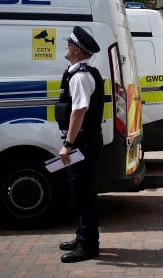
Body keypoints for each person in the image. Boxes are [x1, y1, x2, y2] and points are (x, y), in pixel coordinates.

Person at [56, 26, 104, 263]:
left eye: (68, 43)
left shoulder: (81, 76)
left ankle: (88, 245)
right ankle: (82, 236)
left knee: (83, 194)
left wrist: (68, 144)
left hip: (83, 143)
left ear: (77, 50)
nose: (66, 46)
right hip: (87, 142)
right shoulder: (85, 71)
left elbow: (79, 111)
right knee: (81, 192)